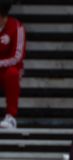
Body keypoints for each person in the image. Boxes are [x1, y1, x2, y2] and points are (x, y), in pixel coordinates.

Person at [0, 0, 25, 129]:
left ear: (4, 17)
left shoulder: (16, 26)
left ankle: (10, 117)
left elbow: (17, 55)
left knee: (12, 74)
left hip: (9, 67)